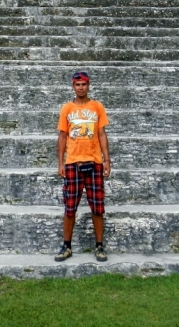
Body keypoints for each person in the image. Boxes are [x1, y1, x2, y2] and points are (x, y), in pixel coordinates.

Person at [54, 71, 111, 262]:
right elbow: (62, 136)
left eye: (84, 84)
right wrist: (60, 162)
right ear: (73, 86)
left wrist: (107, 160)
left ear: (89, 85)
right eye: (77, 84)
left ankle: (99, 246)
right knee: (70, 207)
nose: (81, 88)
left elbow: (102, 134)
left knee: (98, 207)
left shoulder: (97, 107)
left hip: (94, 162)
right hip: (73, 163)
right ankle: (67, 245)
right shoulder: (67, 109)